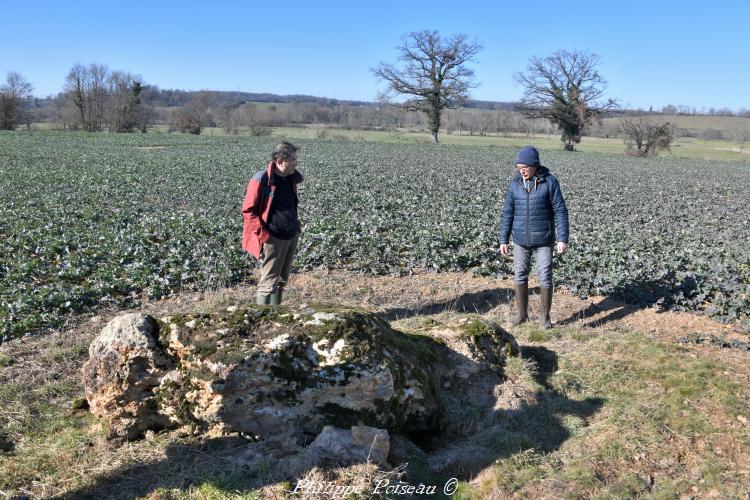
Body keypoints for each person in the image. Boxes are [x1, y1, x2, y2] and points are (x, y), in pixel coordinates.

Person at [499, 145, 569, 329]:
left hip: (544, 240)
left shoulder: (550, 182)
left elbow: (560, 211)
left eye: (525, 166)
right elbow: (508, 212)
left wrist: (563, 238)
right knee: (520, 276)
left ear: (535, 166)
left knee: (545, 277)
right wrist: (503, 239)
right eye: (518, 167)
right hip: (520, 240)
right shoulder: (515, 184)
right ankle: (521, 315)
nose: (521, 170)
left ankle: (545, 318)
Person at [242, 142, 303, 305]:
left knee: (282, 280)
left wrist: (296, 226)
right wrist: (263, 234)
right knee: (268, 282)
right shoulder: (261, 179)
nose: (296, 162)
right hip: (272, 237)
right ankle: (262, 320)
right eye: (293, 159)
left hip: (290, 234)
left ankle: (275, 315)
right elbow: (248, 211)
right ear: (280, 160)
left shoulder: (290, 179)